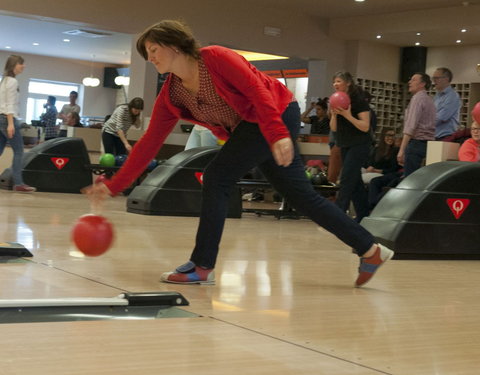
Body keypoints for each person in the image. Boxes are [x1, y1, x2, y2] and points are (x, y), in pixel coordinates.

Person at [84, 20, 393, 288]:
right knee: (302, 197)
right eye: (146, 52)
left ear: (176, 44)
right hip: (252, 126)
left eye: (153, 49)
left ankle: (202, 266)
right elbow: (149, 143)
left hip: (276, 111)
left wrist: (277, 133)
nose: (149, 57)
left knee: (217, 176)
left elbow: (258, 90)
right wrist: (113, 186)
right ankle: (370, 249)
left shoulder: (215, 58)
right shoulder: (173, 95)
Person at [329, 71, 372, 222]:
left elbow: (365, 126)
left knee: (347, 178)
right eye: (334, 82)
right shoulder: (336, 100)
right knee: (355, 182)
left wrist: (348, 115)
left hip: (360, 144)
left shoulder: (359, 100)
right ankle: (364, 216)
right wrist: (334, 114)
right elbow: (333, 129)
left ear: (348, 83)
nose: (335, 84)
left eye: (339, 81)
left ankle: (338, 218)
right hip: (345, 144)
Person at [0, 55, 36, 192]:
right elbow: (9, 104)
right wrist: (10, 124)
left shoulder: (4, 81)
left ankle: (18, 182)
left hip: (1, 118)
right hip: (7, 119)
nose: (24, 66)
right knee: (19, 151)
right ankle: (19, 183)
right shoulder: (12, 82)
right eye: (21, 63)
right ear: (14, 65)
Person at [397, 73, 436, 177]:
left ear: (422, 84)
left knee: (409, 180)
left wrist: (402, 149)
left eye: (413, 80)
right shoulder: (430, 99)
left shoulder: (417, 99)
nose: (409, 82)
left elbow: (410, 126)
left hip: (416, 144)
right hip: (428, 144)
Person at [432, 67, 461, 141]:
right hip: (434, 136)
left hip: (446, 137)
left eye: (437, 78)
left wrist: (424, 124)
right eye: (433, 78)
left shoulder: (452, 96)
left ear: (446, 79)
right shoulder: (437, 96)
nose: (434, 81)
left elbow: (442, 117)